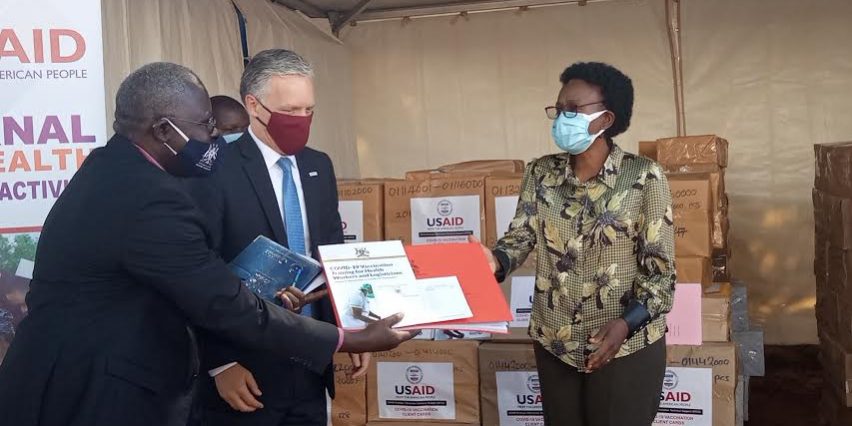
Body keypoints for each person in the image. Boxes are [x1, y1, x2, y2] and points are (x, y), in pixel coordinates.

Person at [0, 62, 415, 426]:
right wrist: (347, 339)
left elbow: (179, 284)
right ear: (164, 130)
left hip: (78, 375)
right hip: (93, 391)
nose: (215, 135)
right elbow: (220, 302)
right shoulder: (150, 198)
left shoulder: (111, 167)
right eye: (205, 124)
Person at [474, 61, 675, 425]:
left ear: (606, 119)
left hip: (625, 346)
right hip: (556, 342)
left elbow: (660, 274)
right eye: (558, 109)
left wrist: (625, 324)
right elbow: (521, 235)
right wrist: (497, 260)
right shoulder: (541, 172)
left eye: (573, 109)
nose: (561, 118)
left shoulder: (644, 176)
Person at [188, 49, 360, 426]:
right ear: (254, 105)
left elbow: (333, 252)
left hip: (311, 363)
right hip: (245, 369)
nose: (301, 120)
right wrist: (220, 363)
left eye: (308, 110)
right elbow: (197, 270)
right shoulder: (215, 170)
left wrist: (351, 326)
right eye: (290, 110)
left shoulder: (319, 166)